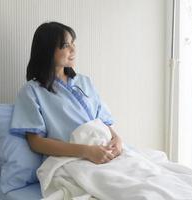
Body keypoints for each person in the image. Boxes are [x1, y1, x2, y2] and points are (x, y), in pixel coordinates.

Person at [9, 22, 122, 164]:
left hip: (106, 151)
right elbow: (36, 142)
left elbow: (103, 121)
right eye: (66, 45)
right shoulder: (31, 91)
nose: (73, 49)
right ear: (48, 50)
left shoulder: (84, 81)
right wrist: (87, 152)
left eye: (73, 43)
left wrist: (118, 140)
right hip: (72, 160)